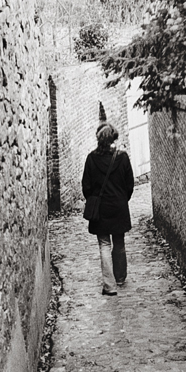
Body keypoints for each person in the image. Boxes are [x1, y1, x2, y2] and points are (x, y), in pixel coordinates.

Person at [81, 122, 134, 296]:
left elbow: (86, 187)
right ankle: (119, 278)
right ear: (113, 138)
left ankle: (110, 286)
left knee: (104, 245)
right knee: (119, 242)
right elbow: (129, 185)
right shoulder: (123, 158)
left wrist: (94, 199)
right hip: (119, 207)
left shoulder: (91, 159)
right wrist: (121, 199)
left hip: (101, 210)